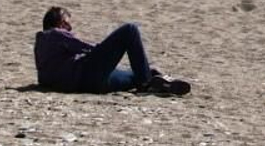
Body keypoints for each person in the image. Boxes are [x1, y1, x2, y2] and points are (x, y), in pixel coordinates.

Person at [34, 6, 190, 95]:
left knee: (140, 73)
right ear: (60, 22)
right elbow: (84, 47)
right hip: (86, 76)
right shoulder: (55, 34)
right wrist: (106, 51)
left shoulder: (39, 45)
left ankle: (156, 83)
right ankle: (148, 83)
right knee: (130, 30)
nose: (70, 28)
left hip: (88, 85)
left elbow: (45, 78)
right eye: (67, 24)